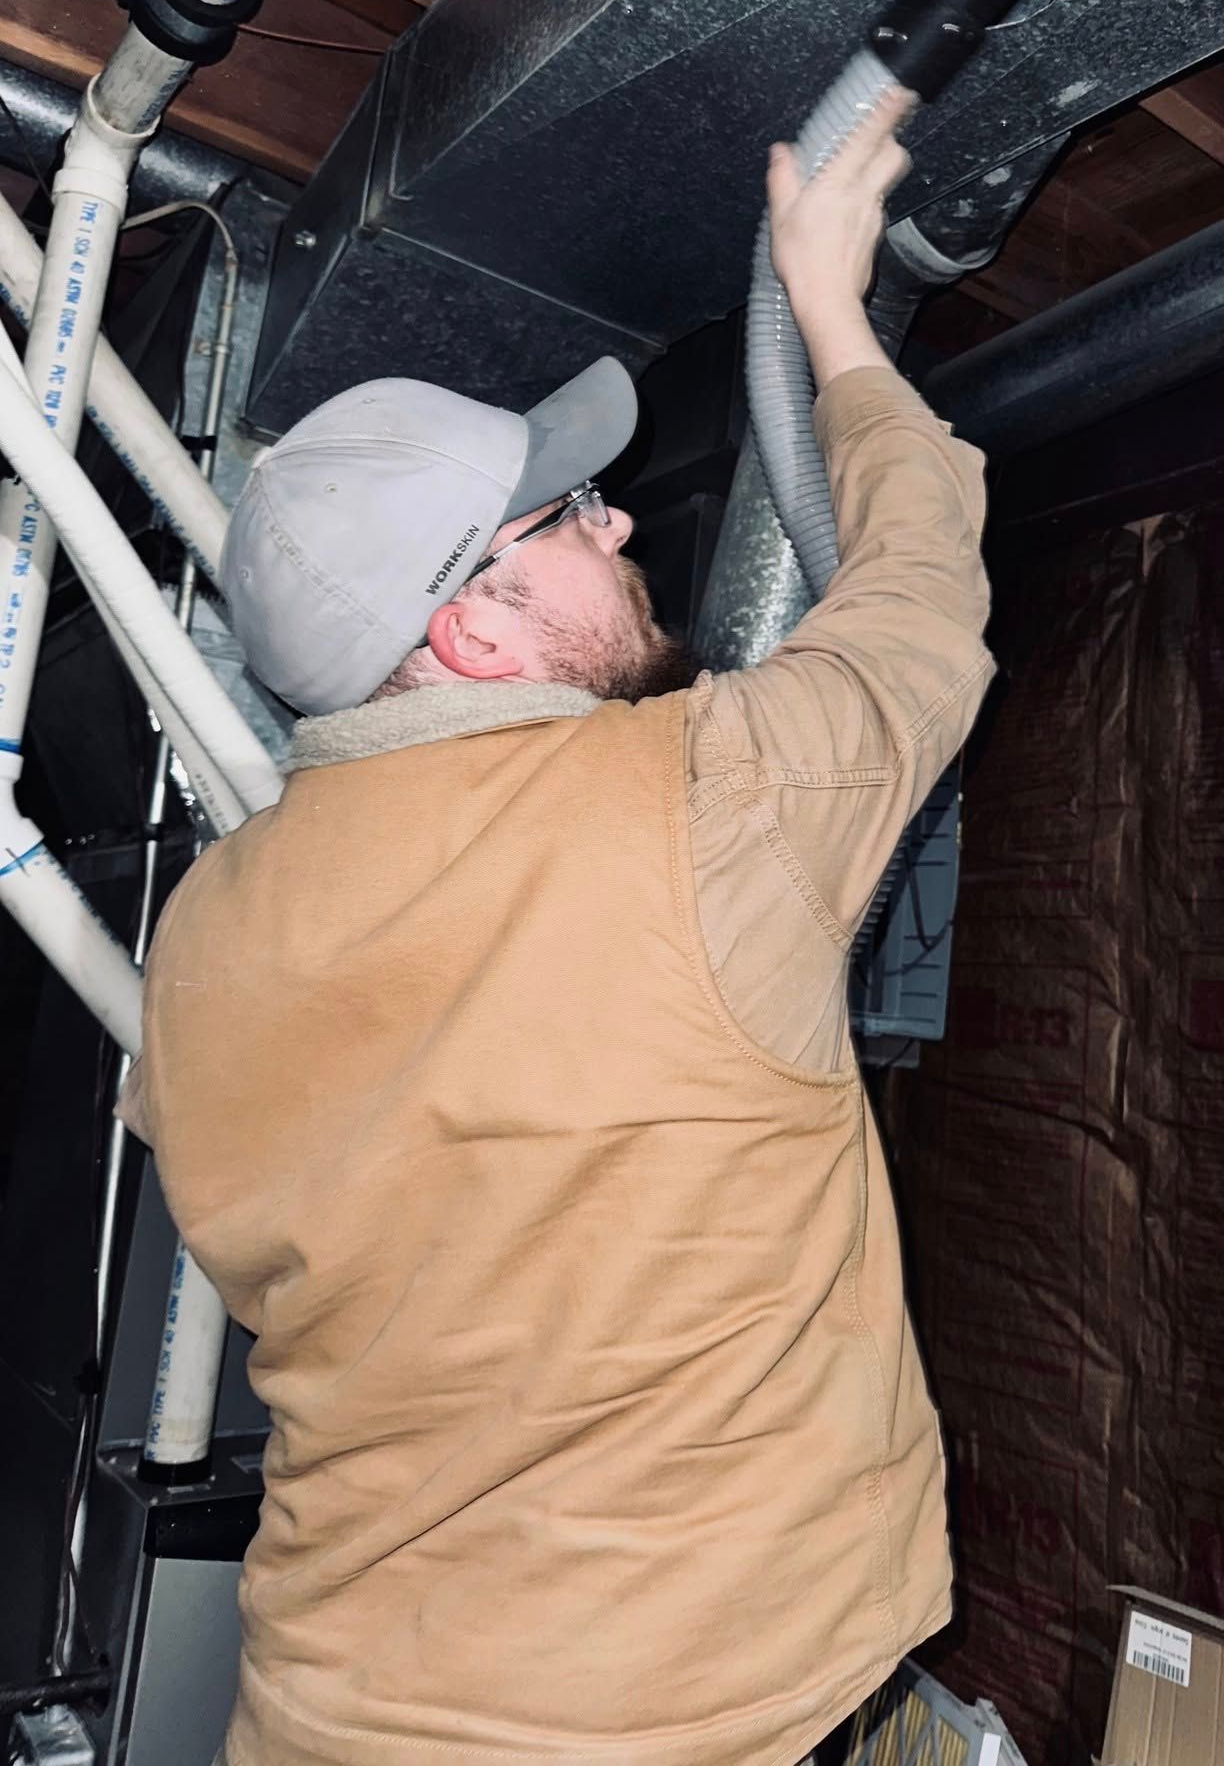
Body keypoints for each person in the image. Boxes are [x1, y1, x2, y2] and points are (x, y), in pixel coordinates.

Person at [126, 89, 995, 1766]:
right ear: (470, 632)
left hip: (332, 1713)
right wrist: (831, 306)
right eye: (565, 516)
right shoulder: (700, 797)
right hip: (675, 1723)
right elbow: (918, 597)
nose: (616, 520)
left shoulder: (203, 935)